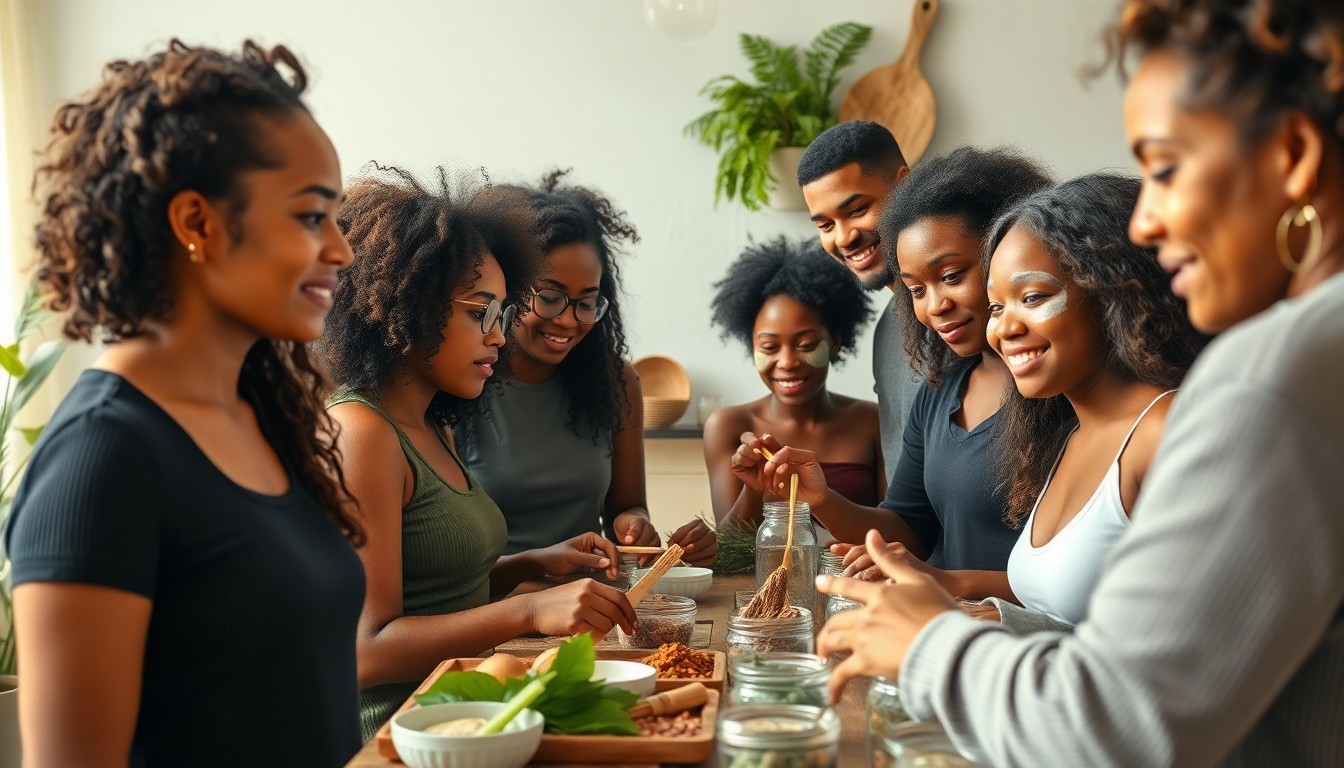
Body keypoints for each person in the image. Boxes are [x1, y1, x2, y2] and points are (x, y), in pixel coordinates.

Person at [815, 1, 1344, 763]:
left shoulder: (1272, 383)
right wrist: (979, 613)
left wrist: (931, 642)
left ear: (1293, 151)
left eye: (1164, 168)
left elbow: (1116, 728)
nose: (1148, 222)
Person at [4, 41, 366, 766]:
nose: (341, 251)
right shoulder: (102, 460)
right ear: (196, 223)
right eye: (308, 218)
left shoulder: (262, 415)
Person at [317, 167, 636, 739]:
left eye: (502, 312)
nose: (497, 335)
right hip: (402, 737)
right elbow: (365, 652)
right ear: (408, 306)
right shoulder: (361, 433)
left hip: (469, 714)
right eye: (480, 311)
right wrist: (530, 610)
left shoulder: (429, 422)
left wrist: (533, 564)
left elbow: (439, 591)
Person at [737, 148, 1052, 595]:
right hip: (953, 636)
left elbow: (1081, 582)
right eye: (916, 289)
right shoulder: (943, 389)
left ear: (1005, 254)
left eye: (952, 274)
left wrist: (946, 582)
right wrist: (819, 498)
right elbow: (909, 526)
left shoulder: (1062, 390)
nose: (935, 306)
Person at [456, 171, 716, 565]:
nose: (568, 320)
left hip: (589, 602)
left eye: (587, 302)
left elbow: (626, 508)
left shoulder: (615, 381)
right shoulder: (462, 381)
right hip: (492, 607)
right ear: (508, 289)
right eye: (550, 297)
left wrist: (635, 524)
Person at [703, 236, 883, 530]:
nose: (787, 362)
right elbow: (729, 548)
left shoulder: (872, 421)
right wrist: (755, 487)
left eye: (806, 344)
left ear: (835, 343)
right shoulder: (728, 426)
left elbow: (896, 530)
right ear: (752, 349)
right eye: (770, 347)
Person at [797, 120, 920, 474]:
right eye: (825, 225)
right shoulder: (886, 332)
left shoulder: (967, 315)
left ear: (904, 184)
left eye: (856, 210)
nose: (843, 237)